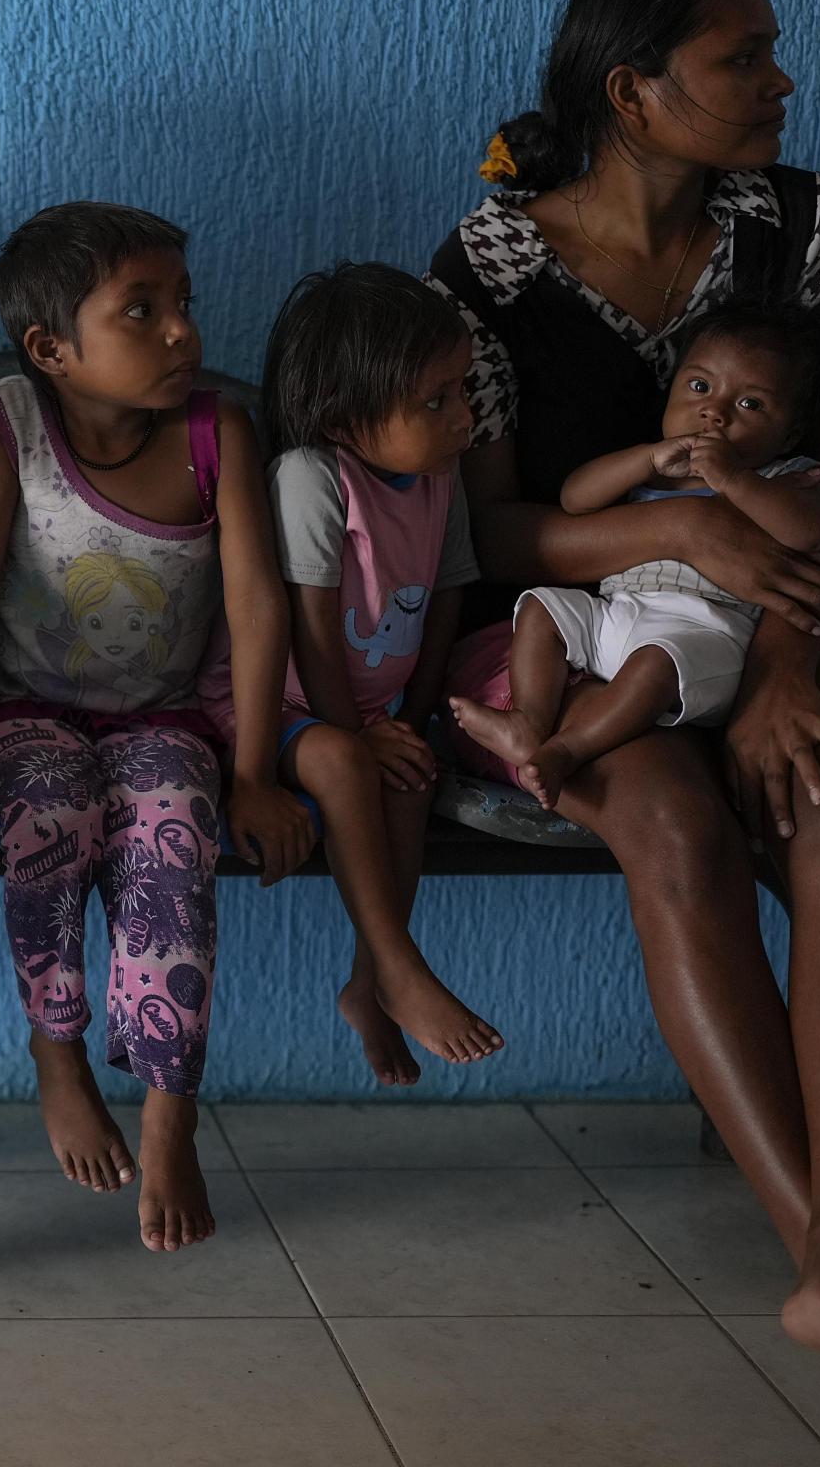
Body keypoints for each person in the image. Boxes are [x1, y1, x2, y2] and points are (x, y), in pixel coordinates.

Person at [428, 0, 820, 1406]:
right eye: (744, 59)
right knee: (677, 827)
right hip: (570, 636)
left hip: (785, 621)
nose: (783, 82)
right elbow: (494, 529)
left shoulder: (798, 219)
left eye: (770, 51)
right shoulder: (488, 262)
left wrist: (780, 671)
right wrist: (681, 520)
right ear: (635, 91)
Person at [0, 202, 313, 1250]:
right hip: (28, 713)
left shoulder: (217, 432)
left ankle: (170, 1108)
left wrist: (251, 775)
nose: (183, 331)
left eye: (181, 304)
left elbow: (256, 602)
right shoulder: (10, 422)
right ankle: (57, 1053)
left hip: (169, 717)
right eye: (141, 311)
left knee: (174, 842)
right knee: (49, 822)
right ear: (52, 349)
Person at [258, 264, 503, 1084]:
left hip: (378, 708)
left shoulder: (442, 476)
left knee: (410, 778)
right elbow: (310, 629)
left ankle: (370, 984)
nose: (465, 416)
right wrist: (360, 729)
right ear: (342, 418)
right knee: (342, 761)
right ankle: (402, 970)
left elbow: (446, 599)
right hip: (285, 704)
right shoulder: (312, 477)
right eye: (436, 401)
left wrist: (415, 719)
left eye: (461, 390)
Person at [453, 301, 820, 805]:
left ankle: (569, 748)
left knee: (654, 664)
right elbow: (575, 498)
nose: (714, 412)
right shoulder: (660, 463)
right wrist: (644, 460)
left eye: (750, 405)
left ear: (789, 433)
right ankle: (527, 720)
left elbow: (810, 532)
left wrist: (733, 480)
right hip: (617, 616)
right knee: (540, 607)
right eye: (699, 387)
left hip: (703, 637)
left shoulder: (783, 478)